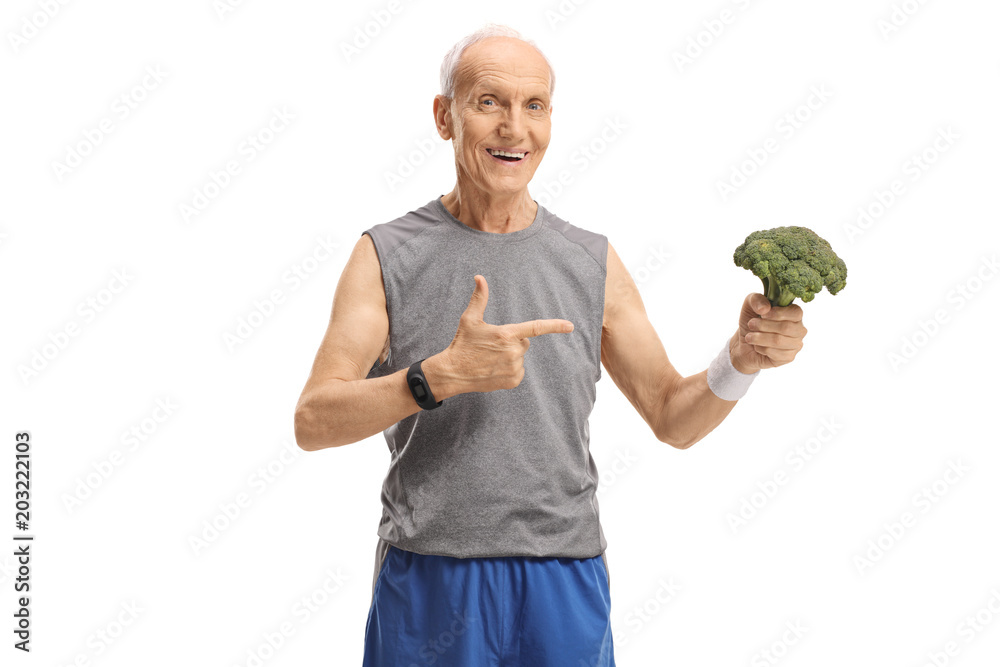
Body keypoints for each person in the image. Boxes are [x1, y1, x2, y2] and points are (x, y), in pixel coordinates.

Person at [293, 23, 807, 667]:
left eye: (533, 106)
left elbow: (674, 417)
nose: (515, 127)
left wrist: (742, 360)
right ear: (444, 117)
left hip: (563, 580)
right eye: (489, 103)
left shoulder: (591, 262)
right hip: (430, 577)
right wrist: (435, 378)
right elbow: (313, 420)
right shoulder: (384, 255)